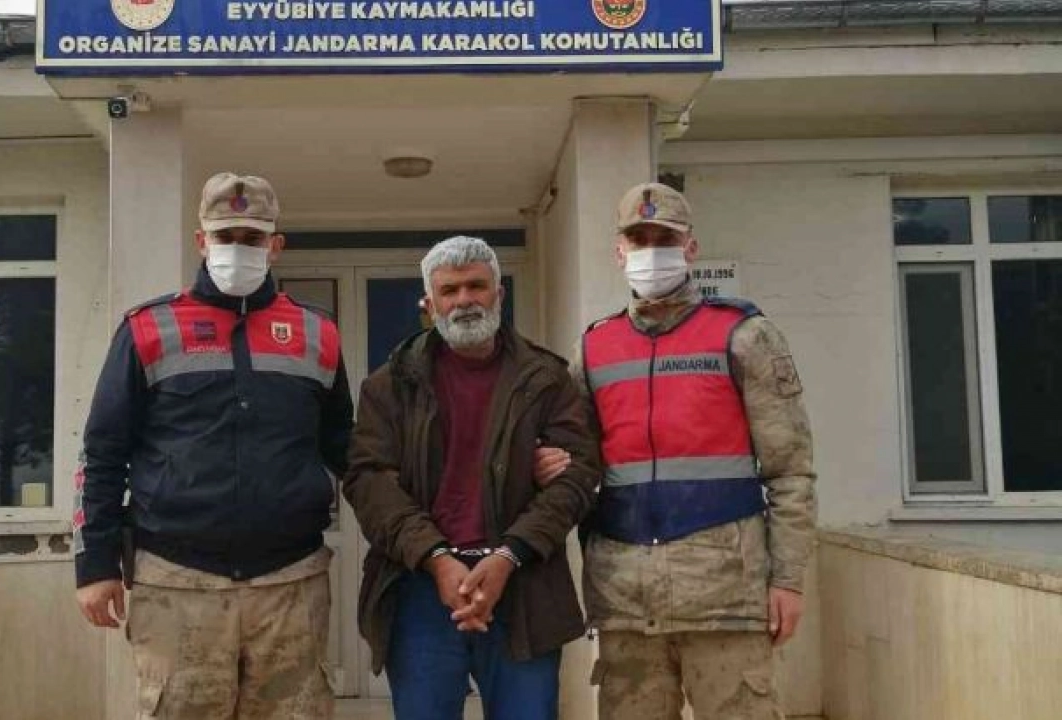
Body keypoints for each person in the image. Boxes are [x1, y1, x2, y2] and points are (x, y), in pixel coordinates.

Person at [72, 172, 353, 720]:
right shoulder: (147, 329)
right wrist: (94, 564)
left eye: (252, 237)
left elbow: (347, 449)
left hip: (290, 585)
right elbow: (101, 454)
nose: (238, 248)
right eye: (226, 236)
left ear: (276, 245)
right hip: (178, 584)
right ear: (201, 241)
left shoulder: (317, 333)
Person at [571, 182, 817, 719]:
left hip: (724, 597)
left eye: (664, 238)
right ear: (619, 251)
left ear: (691, 248)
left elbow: (791, 471)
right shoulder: (592, 348)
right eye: (639, 239)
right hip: (625, 602)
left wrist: (787, 581)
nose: (650, 250)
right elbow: (575, 467)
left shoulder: (746, 335)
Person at [343, 235, 601, 720]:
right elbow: (368, 481)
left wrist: (509, 554)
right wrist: (437, 559)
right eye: (450, 290)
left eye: (477, 286)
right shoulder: (389, 386)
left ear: (499, 294)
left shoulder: (547, 378)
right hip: (419, 589)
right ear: (429, 304)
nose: (465, 300)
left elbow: (578, 476)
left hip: (524, 586)